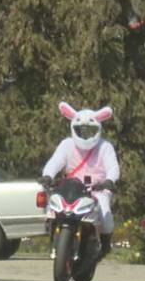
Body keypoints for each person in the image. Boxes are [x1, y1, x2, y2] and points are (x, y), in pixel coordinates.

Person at [40, 102, 120, 257]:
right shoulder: (67, 144)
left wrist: (110, 181)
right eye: (80, 131)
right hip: (71, 188)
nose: (85, 135)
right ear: (73, 129)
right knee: (53, 210)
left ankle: (104, 244)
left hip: (97, 189)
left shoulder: (105, 147)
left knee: (106, 217)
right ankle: (54, 236)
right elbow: (55, 161)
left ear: (98, 130)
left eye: (90, 131)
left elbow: (113, 168)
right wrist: (48, 175)